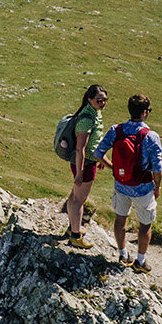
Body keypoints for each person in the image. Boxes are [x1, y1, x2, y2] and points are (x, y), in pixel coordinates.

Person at [93, 93, 162, 273]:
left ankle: (123, 255)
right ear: (145, 113)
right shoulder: (151, 136)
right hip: (142, 188)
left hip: (121, 185)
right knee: (145, 224)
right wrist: (157, 186)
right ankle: (140, 261)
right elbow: (157, 168)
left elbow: (98, 153)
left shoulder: (116, 130)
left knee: (120, 218)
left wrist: (113, 169)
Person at [61, 83, 109, 246]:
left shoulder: (93, 113)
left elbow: (93, 143)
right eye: (99, 100)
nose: (102, 103)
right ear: (90, 99)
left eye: (104, 100)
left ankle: (72, 228)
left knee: (75, 196)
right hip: (84, 164)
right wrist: (80, 173)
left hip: (87, 161)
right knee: (79, 200)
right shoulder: (87, 119)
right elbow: (81, 148)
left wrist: (99, 160)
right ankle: (76, 236)